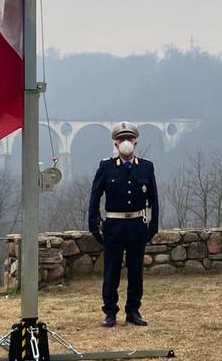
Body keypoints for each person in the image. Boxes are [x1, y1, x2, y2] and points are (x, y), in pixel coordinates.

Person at [88, 121, 159, 327]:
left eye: (129, 139)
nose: (126, 143)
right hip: (114, 227)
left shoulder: (146, 167)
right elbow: (95, 197)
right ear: (116, 144)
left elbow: (154, 198)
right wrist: (94, 224)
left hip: (137, 225)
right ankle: (110, 312)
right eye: (121, 140)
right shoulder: (106, 167)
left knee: (136, 271)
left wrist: (153, 226)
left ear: (135, 143)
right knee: (111, 271)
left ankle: (133, 310)